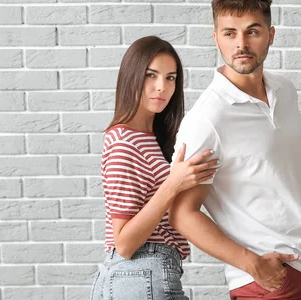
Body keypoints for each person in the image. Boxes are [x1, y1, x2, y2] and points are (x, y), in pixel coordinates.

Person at [169, 0, 301, 300]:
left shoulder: (285, 91)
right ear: (216, 38)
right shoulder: (209, 118)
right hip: (271, 283)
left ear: (271, 34)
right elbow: (183, 214)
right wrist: (251, 263)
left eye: (252, 31)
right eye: (229, 33)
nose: (241, 43)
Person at [90, 36, 219, 300]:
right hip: (139, 272)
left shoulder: (151, 139)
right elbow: (124, 243)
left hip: (146, 275)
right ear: (132, 77)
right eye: (151, 75)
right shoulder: (123, 141)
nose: (162, 87)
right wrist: (173, 184)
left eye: (170, 78)